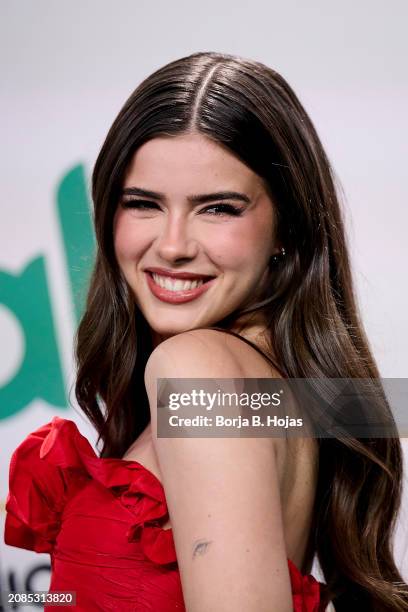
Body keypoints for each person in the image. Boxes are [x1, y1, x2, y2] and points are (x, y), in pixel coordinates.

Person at [4, 51, 407, 611]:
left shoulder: (198, 367)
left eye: (217, 208)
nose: (172, 245)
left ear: (286, 227)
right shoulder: (276, 383)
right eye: (142, 203)